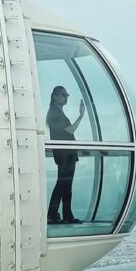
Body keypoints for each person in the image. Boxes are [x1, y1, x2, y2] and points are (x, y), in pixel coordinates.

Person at [46, 86, 85, 224]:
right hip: (65, 155)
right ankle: (53, 215)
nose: (65, 98)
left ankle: (63, 215)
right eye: (63, 95)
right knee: (63, 184)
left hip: (66, 154)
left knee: (65, 185)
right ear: (55, 96)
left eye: (66, 95)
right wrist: (80, 116)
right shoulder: (55, 114)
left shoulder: (56, 113)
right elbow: (69, 130)